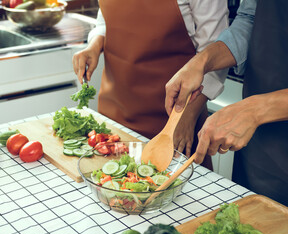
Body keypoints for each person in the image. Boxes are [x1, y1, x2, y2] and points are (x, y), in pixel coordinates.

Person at [73, 0, 229, 169]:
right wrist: (95, 45)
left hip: (173, 122)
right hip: (113, 116)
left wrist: (188, 116)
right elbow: (105, 18)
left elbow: (218, 51)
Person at [165, 0, 288, 206]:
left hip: (255, 115)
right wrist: (203, 61)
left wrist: (256, 110)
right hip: (258, 145)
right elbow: (250, 19)